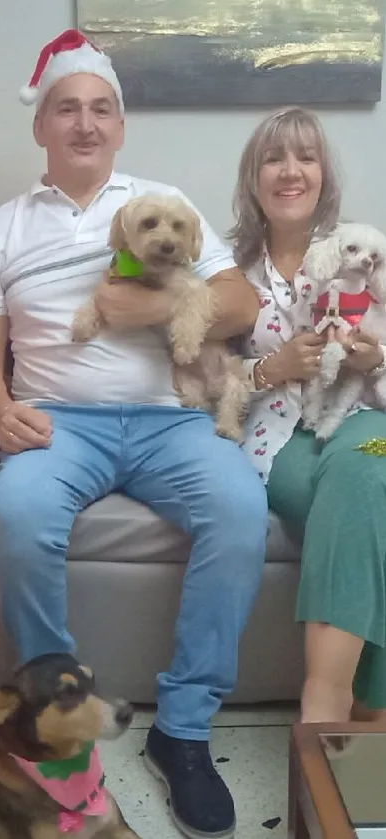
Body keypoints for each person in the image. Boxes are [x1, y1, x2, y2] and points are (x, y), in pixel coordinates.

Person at [0, 28, 267, 839]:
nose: (84, 123)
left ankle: (182, 730)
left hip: (166, 421)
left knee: (240, 510)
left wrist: (147, 307)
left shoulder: (161, 203)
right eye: (66, 108)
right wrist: (1, 410)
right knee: (21, 516)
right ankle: (57, 726)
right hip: (56, 422)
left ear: (119, 125)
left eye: (101, 109)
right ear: (41, 125)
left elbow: (240, 305)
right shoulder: (1, 228)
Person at [230, 105, 386, 724]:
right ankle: (368, 718)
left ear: (323, 174)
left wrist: (373, 357)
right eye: (274, 157)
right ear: (254, 176)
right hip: (278, 434)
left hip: (363, 420)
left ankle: (324, 709)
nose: (290, 171)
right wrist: (273, 368)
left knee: (368, 474)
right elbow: (199, 381)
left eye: (305, 157)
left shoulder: (365, 251)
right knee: (363, 491)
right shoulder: (223, 267)